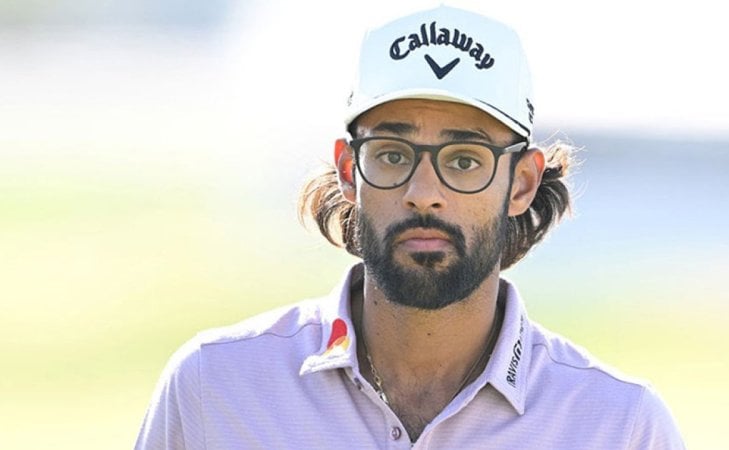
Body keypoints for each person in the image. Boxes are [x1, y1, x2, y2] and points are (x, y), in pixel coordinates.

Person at [135, 5, 684, 449]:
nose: (423, 193)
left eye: (464, 160)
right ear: (349, 172)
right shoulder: (214, 386)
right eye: (393, 155)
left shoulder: (619, 427)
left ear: (521, 184)